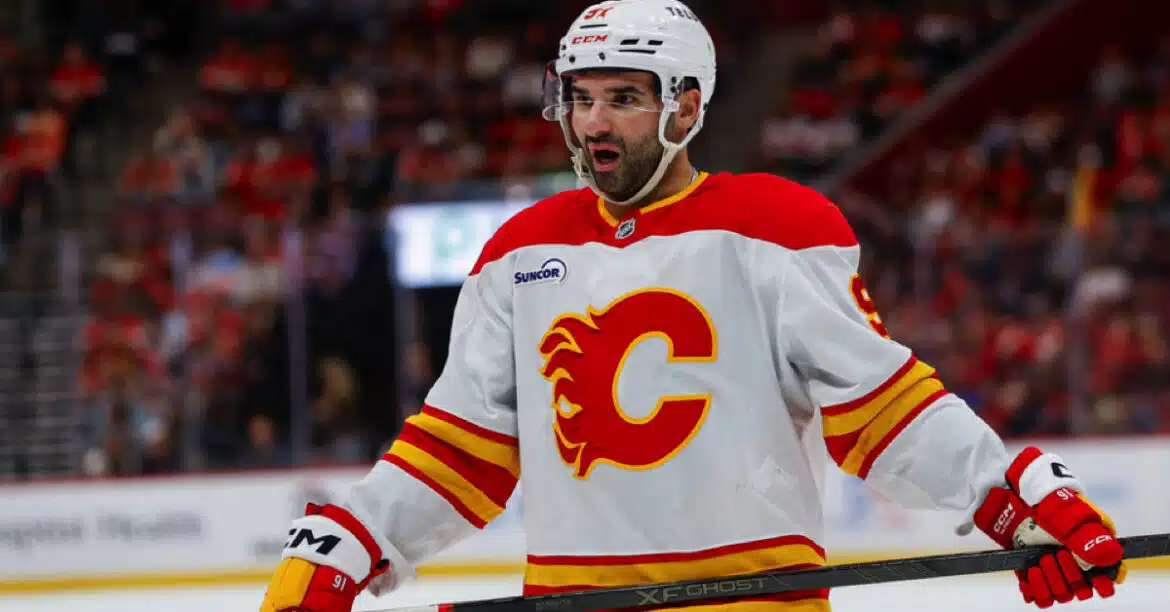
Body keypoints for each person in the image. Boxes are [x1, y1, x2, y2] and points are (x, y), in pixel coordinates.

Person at [259, 1, 1125, 610]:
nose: (595, 122)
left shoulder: (775, 228)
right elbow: (465, 445)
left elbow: (880, 408)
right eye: (583, 97)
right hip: (574, 605)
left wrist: (1008, 498)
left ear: (687, 105)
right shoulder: (520, 251)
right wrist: (357, 537)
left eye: (625, 98)